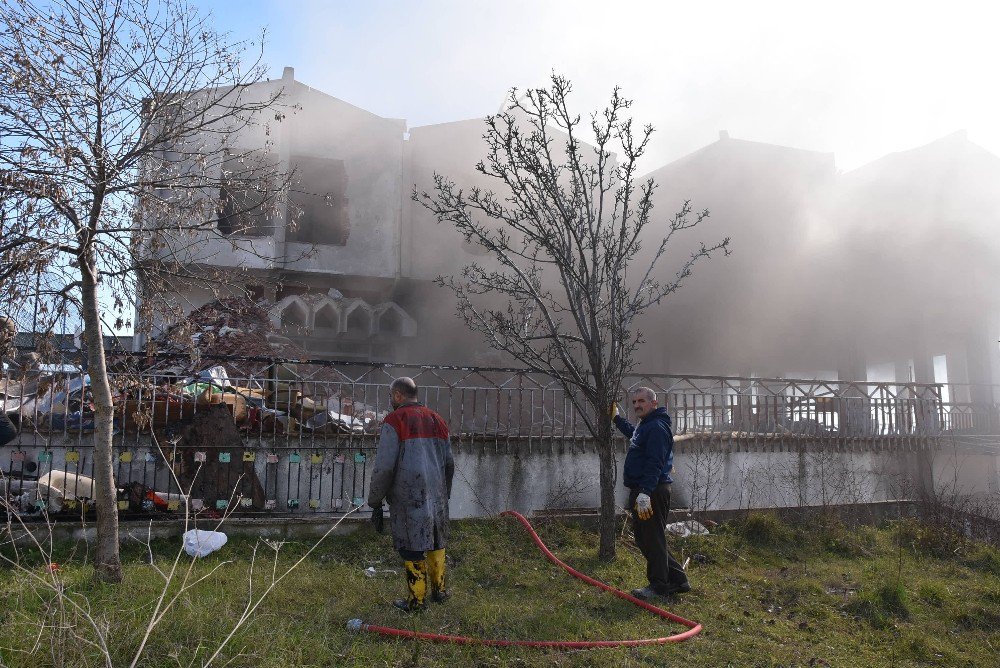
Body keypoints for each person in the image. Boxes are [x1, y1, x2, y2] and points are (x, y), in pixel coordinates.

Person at [368, 377, 455, 612]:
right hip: (437, 495)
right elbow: (449, 463)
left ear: (398, 395)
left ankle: (417, 601)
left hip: (408, 496)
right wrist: (444, 494)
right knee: (437, 540)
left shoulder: (395, 421)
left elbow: (385, 467)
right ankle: (440, 591)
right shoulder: (438, 420)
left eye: (391, 396)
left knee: (412, 546)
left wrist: (374, 500)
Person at [613, 386, 690, 600]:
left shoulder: (656, 427)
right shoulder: (646, 425)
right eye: (634, 402)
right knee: (647, 538)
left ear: (653, 403)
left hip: (651, 491)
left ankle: (659, 587)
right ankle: (678, 580)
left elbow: (655, 462)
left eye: (642, 401)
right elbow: (634, 435)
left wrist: (645, 492)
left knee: (651, 539)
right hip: (646, 490)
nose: (637, 405)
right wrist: (617, 419)